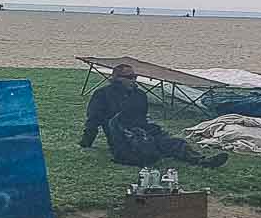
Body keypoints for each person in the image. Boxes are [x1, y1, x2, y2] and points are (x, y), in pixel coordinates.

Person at [81, 64, 228, 167]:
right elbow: (93, 120)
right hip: (121, 136)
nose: (134, 79)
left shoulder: (139, 95)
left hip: (142, 131)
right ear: (116, 78)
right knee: (147, 152)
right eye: (129, 77)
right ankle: (153, 151)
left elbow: (142, 118)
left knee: (176, 143)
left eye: (135, 76)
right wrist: (86, 142)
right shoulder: (102, 94)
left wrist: (153, 129)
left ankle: (202, 161)